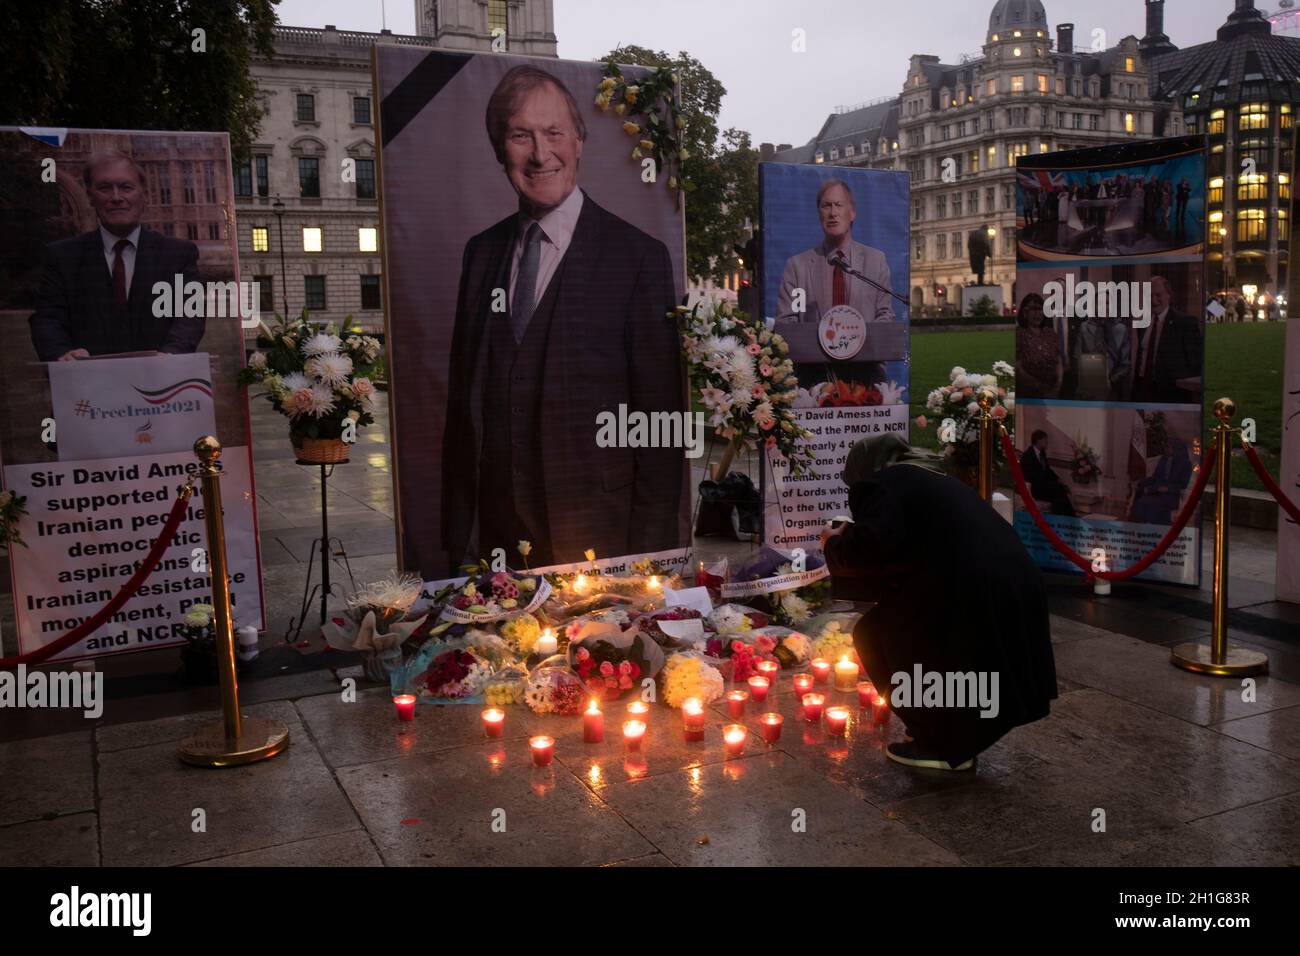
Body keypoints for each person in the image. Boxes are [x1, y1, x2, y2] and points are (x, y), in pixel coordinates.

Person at [440, 65, 684, 571]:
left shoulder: (639, 256)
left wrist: (652, 553)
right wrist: (456, 535)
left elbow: (660, 419)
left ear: (578, 141)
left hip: (601, 529)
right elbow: (464, 407)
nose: (539, 153)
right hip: (497, 535)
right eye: (519, 135)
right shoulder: (480, 254)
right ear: (498, 147)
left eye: (553, 133)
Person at [822, 434, 1058, 771]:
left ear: (863, 470)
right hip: (1012, 582)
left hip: (972, 589)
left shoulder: (882, 484)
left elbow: (870, 549)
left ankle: (938, 743)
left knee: (876, 634)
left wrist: (833, 544)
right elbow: (909, 543)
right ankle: (955, 735)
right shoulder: (928, 479)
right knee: (927, 640)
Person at [29, 150, 203, 361]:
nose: (116, 197)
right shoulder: (62, 257)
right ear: (90, 197)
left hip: (159, 385)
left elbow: (190, 315)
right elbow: (48, 318)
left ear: (144, 196)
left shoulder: (178, 255)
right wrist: (62, 354)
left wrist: (171, 354)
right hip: (85, 386)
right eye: (104, 188)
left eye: (125, 187)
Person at [775, 178, 896, 326]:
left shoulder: (876, 262)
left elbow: (886, 315)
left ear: (852, 213)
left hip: (865, 348)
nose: (833, 213)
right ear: (819, 213)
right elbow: (786, 322)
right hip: (812, 349)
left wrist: (860, 343)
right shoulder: (796, 267)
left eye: (839, 205)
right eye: (826, 206)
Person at [1131, 275, 1201, 403]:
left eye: (1158, 295)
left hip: (1172, 396)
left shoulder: (1185, 323)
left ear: (1169, 295)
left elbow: (1195, 364)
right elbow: (1141, 359)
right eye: (1149, 295)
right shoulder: (1143, 323)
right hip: (1143, 391)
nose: (1153, 300)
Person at [1129, 438, 1192, 525]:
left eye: (1168, 447)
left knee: (1154, 506)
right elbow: (1155, 477)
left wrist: (1168, 489)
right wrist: (1141, 482)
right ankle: (1138, 528)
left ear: (1175, 448)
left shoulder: (1186, 464)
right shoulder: (1163, 460)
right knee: (1141, 502)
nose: (1166, 449)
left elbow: (1183, 484)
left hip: (1171, 495)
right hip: (1156, 491)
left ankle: (1157, 529)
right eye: (1166, 447)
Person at [1014, 293, 1062, 397]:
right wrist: (1038, 386)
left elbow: (1058, 359)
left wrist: (1058, 384)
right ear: (1024, 313)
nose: (1038, 314)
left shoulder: (1050, 333)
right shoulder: (1019, 334)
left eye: (1040, 309)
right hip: (1028, 393)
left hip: (1053, 391)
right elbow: (1017, 366)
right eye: (1033, 310)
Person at [1020, 429, 1076, 516]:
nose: (1047, 442)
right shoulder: (1028, 455)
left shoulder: (1042, 453)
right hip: (1034, 488)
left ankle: (1064, 516)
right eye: (1045, 440)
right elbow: (1030, 475)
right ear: (1038, 441)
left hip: (1044, 485)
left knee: (1060, 489)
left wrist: (1057, 478)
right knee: (1057, 490)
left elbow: (1047, 470)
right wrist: (1047, 481)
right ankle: (1068, 516)